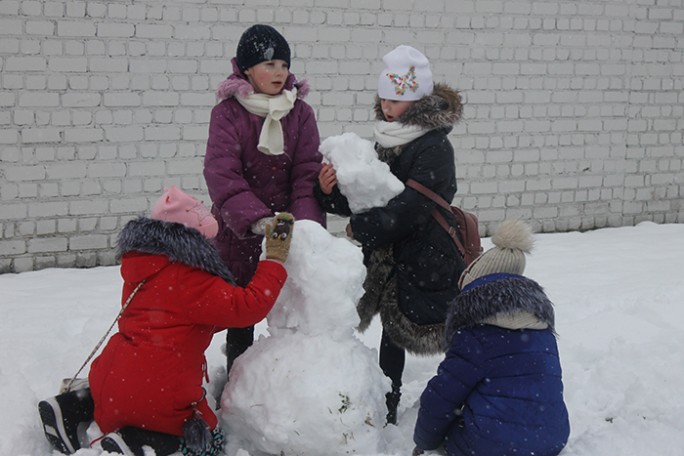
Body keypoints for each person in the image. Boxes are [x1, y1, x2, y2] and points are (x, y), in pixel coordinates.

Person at [38, 186, 295, 456]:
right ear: (194, 241)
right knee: (210, 443)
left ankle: (70, 407)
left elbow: (188, 316)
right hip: (158, 390)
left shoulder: (144, 268)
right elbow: (246, 308)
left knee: (121, 395)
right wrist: (274, 260)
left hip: (111, 378)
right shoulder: (190, 279)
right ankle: (139, 443)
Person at [315, 45, 465, 424]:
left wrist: (359, 228)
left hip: (425, 252)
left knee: (437, 326)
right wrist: (329, 191)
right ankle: (389, 397)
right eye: (383, 98)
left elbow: (411, 208)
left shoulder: (434, 145)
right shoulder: (388, 138)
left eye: (396, 99)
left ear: (416, 101)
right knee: (391, 327)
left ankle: (460, 390)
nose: (387, 106)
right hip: (391, 252)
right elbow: (369, 196)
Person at [203, 24, 324, 380]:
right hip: (239, 233)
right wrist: (255, 219)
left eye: (284, 65)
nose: (279, 73)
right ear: (246, 70)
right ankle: (237, 387)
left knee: (289, 310)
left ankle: (284, 385)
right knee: (242, 313)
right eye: (269, 65)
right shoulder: (228, 114)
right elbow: (221, 172)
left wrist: (302, 224)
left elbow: (306, 172)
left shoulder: (300, 113)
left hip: (286, 229)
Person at [412, 220, 570, 456]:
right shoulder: (542, 327)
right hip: (552, 439)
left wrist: (425, 441)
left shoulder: (476, 334)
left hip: (493, 447)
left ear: (472, 294)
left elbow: (441, 398)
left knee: (453, 427)